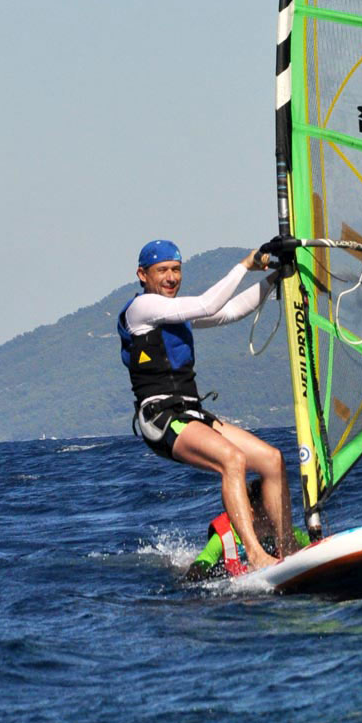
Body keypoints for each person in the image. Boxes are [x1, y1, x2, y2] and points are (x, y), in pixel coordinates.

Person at [118, 238, 297, 570]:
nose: (171, 277)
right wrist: (245, 264)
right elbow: (207, 304)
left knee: (272, 460)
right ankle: (257, 556)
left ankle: (288, 553)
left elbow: (230, 311)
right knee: (233, 459)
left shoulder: (175, 312)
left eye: (176, 270)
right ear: (143, 275)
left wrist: (276, 277)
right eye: (162, 271)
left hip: (192, 414)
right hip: (160, 417)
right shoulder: (141, 309)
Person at [183, 477, 310, 582]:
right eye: (267, 510)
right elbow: (197, 569)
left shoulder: (282, 531)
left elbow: (312, 545)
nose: (274, 515)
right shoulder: (225, 538)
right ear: (251, 512)